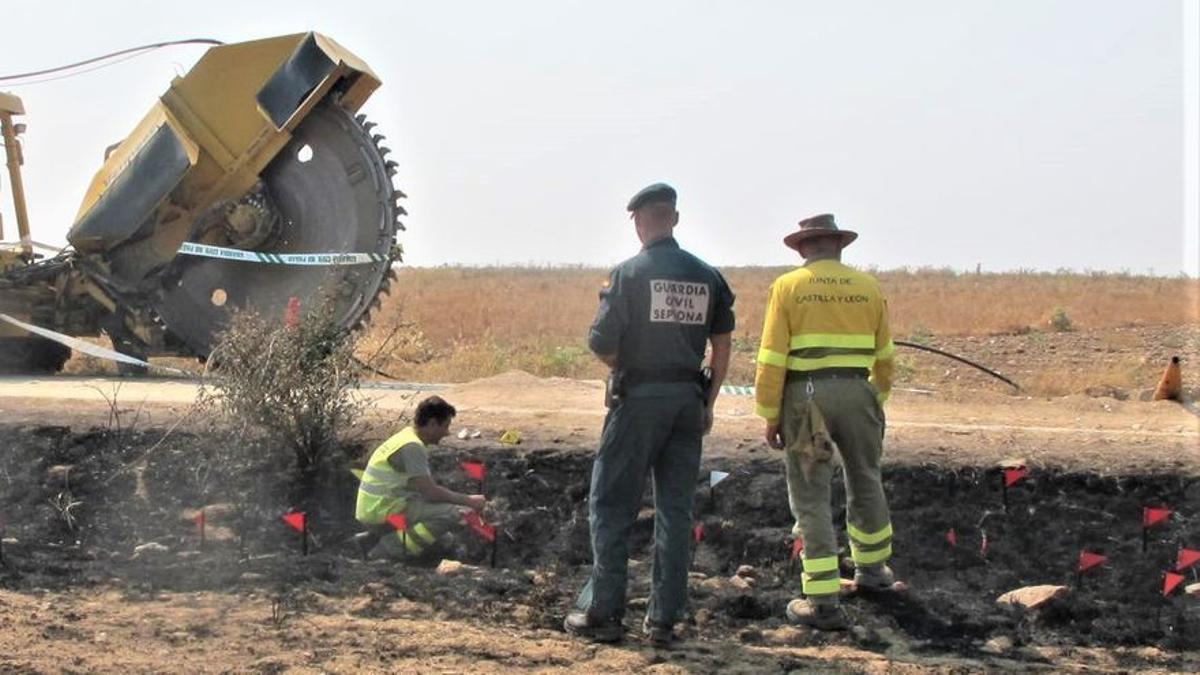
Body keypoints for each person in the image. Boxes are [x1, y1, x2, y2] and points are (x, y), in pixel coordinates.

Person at [563, 182, 735, 646]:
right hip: (688, 404)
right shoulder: (708, 276)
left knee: (611, 505)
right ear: (674, 219)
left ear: (639, 222)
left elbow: (601, 343)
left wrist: (624, 371)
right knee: (675, 513)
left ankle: (603, 612)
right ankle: (664, 621)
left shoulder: (629, 275)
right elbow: (722, 346)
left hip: (639, 402)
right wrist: (709, 401)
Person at [754, 213, 899, 631]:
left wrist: (769, 413)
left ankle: (821, 600)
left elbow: (772, 358)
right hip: (858, 392)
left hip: (806, 399)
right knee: (866, 478)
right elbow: (885, 356)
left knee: (811, 494)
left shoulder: (788, 287)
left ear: (802, 248)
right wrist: (875, 398)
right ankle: (873, 573)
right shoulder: (868, 287)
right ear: (839, 246)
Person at [353, 396, 486, 559]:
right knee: (454, 514)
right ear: (431, 423)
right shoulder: (412, 447)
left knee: (441, 536)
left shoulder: (405, 437)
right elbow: (430, 493)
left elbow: (423, 490)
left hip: (375, 509)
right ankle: (386, 551)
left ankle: (370, 540)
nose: (447, 432)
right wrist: (469, 501)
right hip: (382, 511)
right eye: (445, 426)